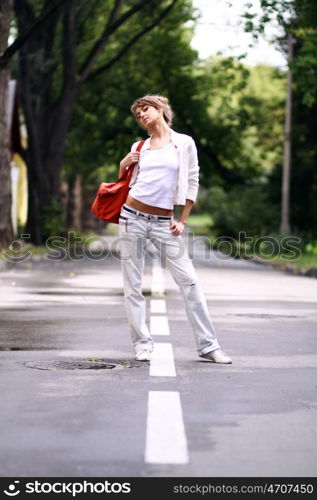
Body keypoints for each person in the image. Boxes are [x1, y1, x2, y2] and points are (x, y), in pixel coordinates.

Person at [118, 94, 232, 364]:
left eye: (145, 109)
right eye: (138, 114)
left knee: (189, 281)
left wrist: (182, 219)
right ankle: (142, 344)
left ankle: (208, 346)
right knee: (132, 285)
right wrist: (123, 163)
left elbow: (192, 180)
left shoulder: (184, 143)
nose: (142, 115)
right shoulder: (140, 146)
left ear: (160, 109)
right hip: (131, 217)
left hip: (162, 222)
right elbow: (126, 180)